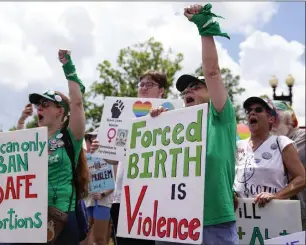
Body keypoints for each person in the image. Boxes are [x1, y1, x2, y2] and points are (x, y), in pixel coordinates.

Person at [0, 50, 89, 245]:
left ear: (60, 111)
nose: (39, 108)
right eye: (37, 105)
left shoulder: (71, 137)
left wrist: (68, 67)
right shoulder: (29, 141)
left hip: (60, 218)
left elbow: (76, 103)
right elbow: (7, 178)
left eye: (45, 104)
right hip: (27, 216)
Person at [151, 4, 238, 245]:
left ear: (214, 93)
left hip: (213, 222)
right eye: (185, 90)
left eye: (196, 86)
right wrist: (155, 126)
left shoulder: (221, 117)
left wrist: (204, 27)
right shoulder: (173, 126)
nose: (188, 90)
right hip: (173, 222)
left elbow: (212, 72)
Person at [91, 69, 167, 245]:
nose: (144, 88)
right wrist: (101, 149)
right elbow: (114, 158)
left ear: (161, 91)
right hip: (123, 198)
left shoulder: (168, 115)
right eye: (141, 84)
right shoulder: (126, 119)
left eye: (150, 84)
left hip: (153, 197)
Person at [234, 96, 305, 205]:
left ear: (270, 119)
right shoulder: (238, 146)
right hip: (241, 216)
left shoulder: (282, 143)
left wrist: (276, 196)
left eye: (258, 110)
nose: (252, 113)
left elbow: (302, 178)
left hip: (273, 214)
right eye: (249, 111)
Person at [271, 100, 306, 230]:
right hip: (284, 214)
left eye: (275, 119)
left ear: (290, 121)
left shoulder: (302, 138)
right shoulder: (273, 142)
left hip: (301, 214)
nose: (271, 124)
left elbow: (286, 167)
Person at [82, 128, 114, 245]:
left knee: (100, 238)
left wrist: (102, 194)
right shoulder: (85, 159)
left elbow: (112, 183)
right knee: (85, 236)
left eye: (93, 139)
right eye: (89, 139)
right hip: (88, 201)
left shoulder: (109, 158)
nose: (91, 142)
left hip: (103, 202)